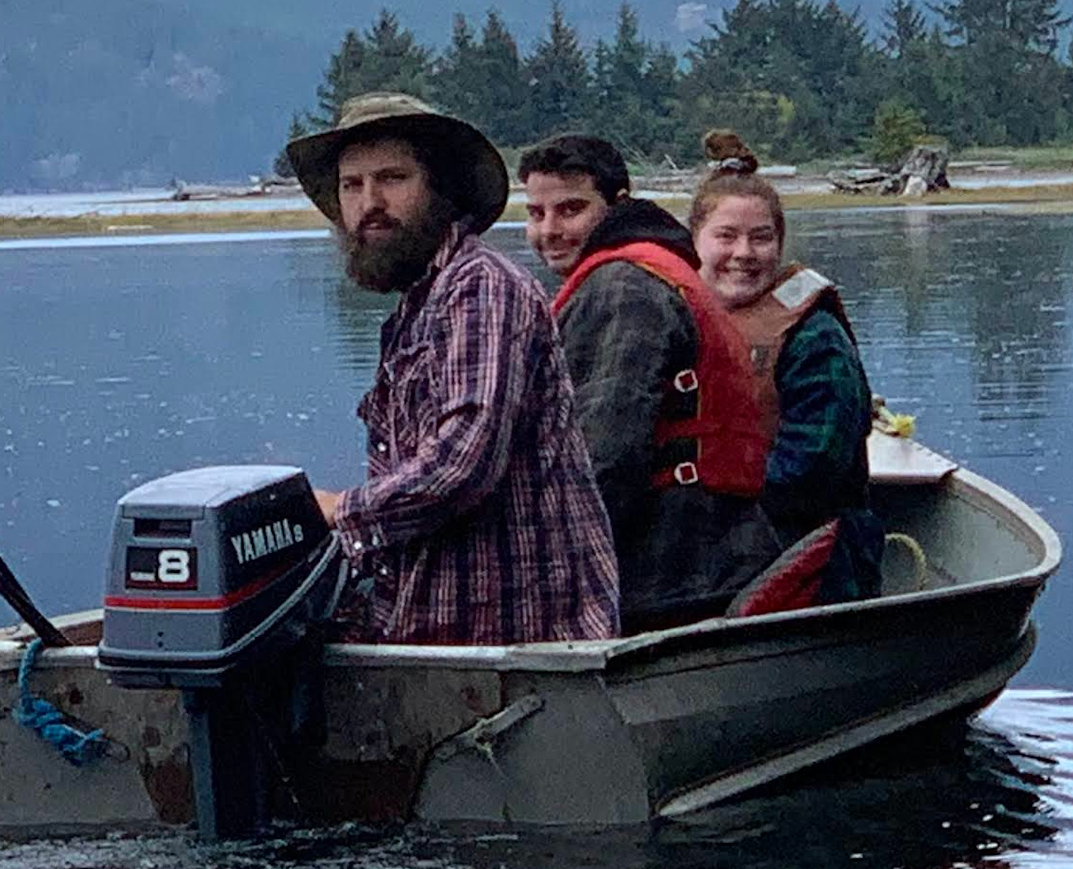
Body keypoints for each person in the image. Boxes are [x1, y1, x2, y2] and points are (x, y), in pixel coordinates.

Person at [285, 91, 618, 645]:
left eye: (392, 178)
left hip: (522, 645)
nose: (370, 201)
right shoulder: (417, 307)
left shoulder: (480, 286)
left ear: (437, 187)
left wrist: (340, 510)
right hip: (443, 636)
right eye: (352, 185)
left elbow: (464, 462)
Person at [517, 131, 772, 630]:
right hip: (715, 560)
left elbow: (602, 458)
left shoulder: (621, 288)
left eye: (570, 210)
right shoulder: (655, 267)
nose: (549, 229)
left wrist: (541, 581)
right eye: (535, 213)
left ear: (617, 205)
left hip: (676, 576)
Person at [696, 177, 885, 609]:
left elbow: (810, 473)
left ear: (779, 246)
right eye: (726, 236)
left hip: (815, 561)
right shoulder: (680, 321)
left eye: (761, 238)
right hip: (716, 556)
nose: (743, 253)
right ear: (696, 242)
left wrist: (699, 511)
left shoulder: (816, 340)